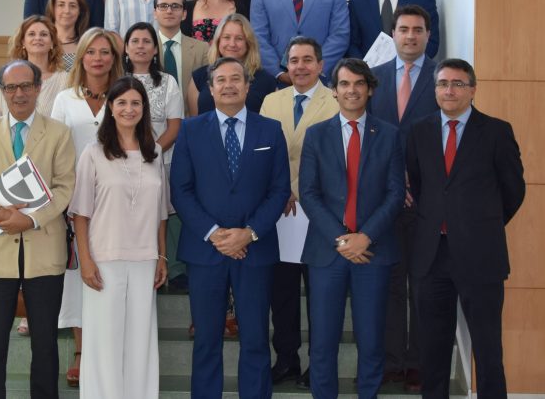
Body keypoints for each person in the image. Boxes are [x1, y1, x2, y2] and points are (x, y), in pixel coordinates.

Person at [169, 56, 292, 399]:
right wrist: (214, 233)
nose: (228, 85)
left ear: (248, 86)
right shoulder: (191, 130)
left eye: (235, 78)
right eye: (220, 80)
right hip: (205, 250)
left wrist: (248, 232)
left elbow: (279, 189)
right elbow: (180, 189)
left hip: (255, 250)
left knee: (255, 339)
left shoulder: (270, 129)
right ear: (210, 88)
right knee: (207, 340)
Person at [407, 59, 526, 398]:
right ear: (434, 90)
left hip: (481, 254)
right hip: (432, 256)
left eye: (458, 83)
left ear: (473, 89)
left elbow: (513, 190)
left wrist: (480, 224)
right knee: (433, 349)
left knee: (488, 349)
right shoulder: (419, 131)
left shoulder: (497, 131)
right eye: (443, 83)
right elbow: (420, 186)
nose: (449, 90)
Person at [0, 59, 76, 399]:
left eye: (27, 86)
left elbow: (65, 187)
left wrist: (32, 218)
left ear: (39, 89)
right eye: (11, 87)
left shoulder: (58, 133)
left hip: (44, 250)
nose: (20, 93)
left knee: (45, 343)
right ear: (2, 92)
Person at [299, 58, 405, 399]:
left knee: (372, 340)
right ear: (335, 90)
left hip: (373, 251)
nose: (352, 90)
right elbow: (309, 193)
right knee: (323, 342)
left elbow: (395, 193)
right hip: (327, 251)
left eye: (359, 83)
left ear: (370, 89)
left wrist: (366, 236)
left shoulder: (389, 135)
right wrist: (341, 239)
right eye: (344, 84)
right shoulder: (316, 135)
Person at [71, 75, 169, 399]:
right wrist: (85, 261)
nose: (129, 109)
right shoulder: (94, 153)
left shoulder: (154, 153)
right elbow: (80, 214)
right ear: (110, 107)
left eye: (136, 103)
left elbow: (160, 213)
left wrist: (162, 256)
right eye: (122, 102)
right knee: (104, 341)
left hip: (144, 260)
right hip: (104, 260)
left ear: (144, 109)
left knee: (141, 341)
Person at [259, 37, 339, 389]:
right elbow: (262, 153)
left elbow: (335, 160)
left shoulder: (336, 101)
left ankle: (318, 367)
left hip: (319, 211)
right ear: (286, 66)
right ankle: (287, 360)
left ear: (321, 65)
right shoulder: (270, 100)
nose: (300, 66)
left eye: (308, 59)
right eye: (294, 60)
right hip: (280, 213)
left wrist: (298, 190)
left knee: (319, 295)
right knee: (283, 292)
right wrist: (282, 192)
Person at [49, 27, 124, 386]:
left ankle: (109, 348)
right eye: (91, 51)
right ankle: (81, 351)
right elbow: (55, 152)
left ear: (114, 57)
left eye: (105, 51)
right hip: (75, 201)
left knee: (112, 273)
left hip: (117, 201)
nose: (98, 58)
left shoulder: (125, 95)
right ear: (81, 57)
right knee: (79, 276)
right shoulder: (65, 99)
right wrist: (62, 198)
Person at [369, 5, 439, 391]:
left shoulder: (441, 79)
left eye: (418, 30)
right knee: (389, 284)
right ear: (393, 34)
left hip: (428, 203)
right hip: (383, 202)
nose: (410, 36)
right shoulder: (374, 80)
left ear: (428, 35)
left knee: (423, 284)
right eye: (403, 29)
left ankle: (419, 362)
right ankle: (392, 360)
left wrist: (417, 183)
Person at [152, 0, 210, 292]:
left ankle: (182, 265)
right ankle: (167, 264)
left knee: (181, 198)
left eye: (176, 6)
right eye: (164, 6)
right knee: (160, 202)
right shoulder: (144, 46)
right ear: (155, 12)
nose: (170, 11)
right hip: (153, 139)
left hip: (192, 133)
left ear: (185, 13)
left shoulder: (200, 49)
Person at [186, 13, 277, 116]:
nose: (232, 44)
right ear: (218, 41)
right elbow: (194, 125)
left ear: (248, 43)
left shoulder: (267, 82)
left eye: (239, 38)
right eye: (226, 37)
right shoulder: (198, 78)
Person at [122, 23, 183, 168]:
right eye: (135, 41)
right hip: (120, 160)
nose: (140, 46)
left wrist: (150, 153)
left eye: (147, 41)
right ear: (126, 48)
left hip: (158, 160)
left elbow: (174, 128)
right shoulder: (115, 81)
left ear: (155, 49)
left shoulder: (168, 82)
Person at [0, 15, 69, 122]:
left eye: (43, 34)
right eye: (31, 34)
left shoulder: (65, 79)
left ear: (52, 43)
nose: (38, 38)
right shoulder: (5, 77)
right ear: (23, 42)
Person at [46, 0, 91, 71]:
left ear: (80, 11)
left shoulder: (87, 45)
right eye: (61, 5)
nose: (67, 11)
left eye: (73, 6)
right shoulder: (41, 41)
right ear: (52, 9)